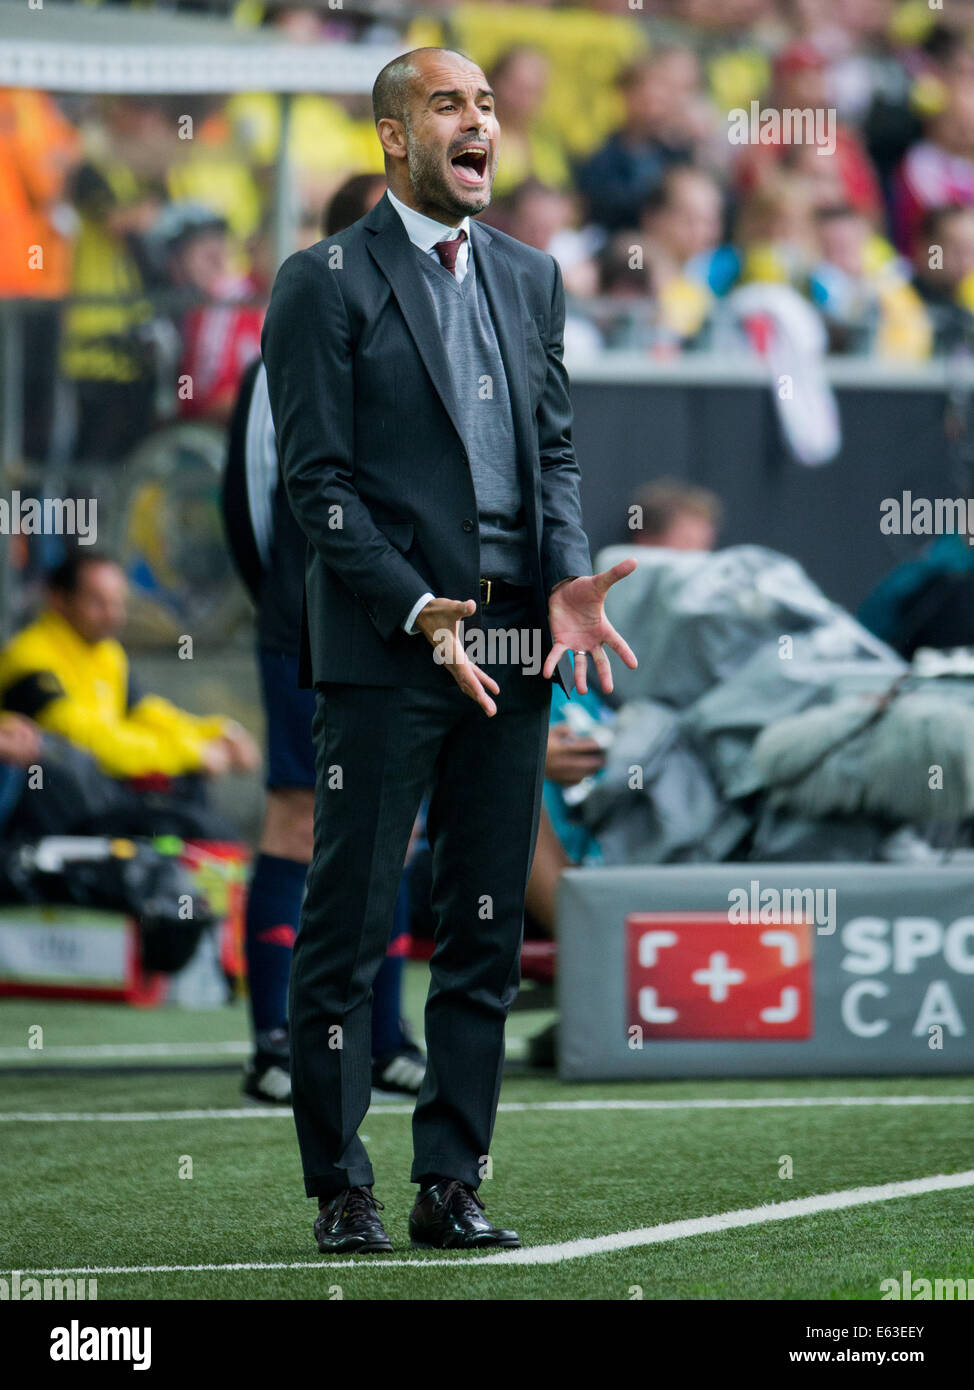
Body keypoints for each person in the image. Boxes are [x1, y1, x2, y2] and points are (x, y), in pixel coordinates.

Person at [261, 46, 636, 1255]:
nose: (477, 122)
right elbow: (313, 487)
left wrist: (567, 574)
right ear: (391, 136)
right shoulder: (320, 280)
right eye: (447, 104)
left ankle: (448, 1182)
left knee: (480, 925)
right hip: (390, 644)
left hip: (520, 632)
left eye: (484, 104)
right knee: (351, 921)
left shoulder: (531, 276)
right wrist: (417, 606)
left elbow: (557, 451)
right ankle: (340, 1185)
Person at [223, 171, 426, 1105]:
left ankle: (384, 1035)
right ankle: (274, 1039)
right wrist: (296, 600)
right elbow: (254, 504)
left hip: (411, 622)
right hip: (307, 620)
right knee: (299, 816)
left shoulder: (444, 325)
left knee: (395, 820)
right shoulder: (294, 336)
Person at [0, 552, 258, 836]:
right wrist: (191, 753)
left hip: (99, 793)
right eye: (98, 602)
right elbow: (84, 740)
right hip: (53, 813)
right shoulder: (29, 657)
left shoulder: (107, 652)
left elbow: (143, 713)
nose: (113, 614)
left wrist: (217, 732)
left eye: (118, 602)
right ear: (58, 599)